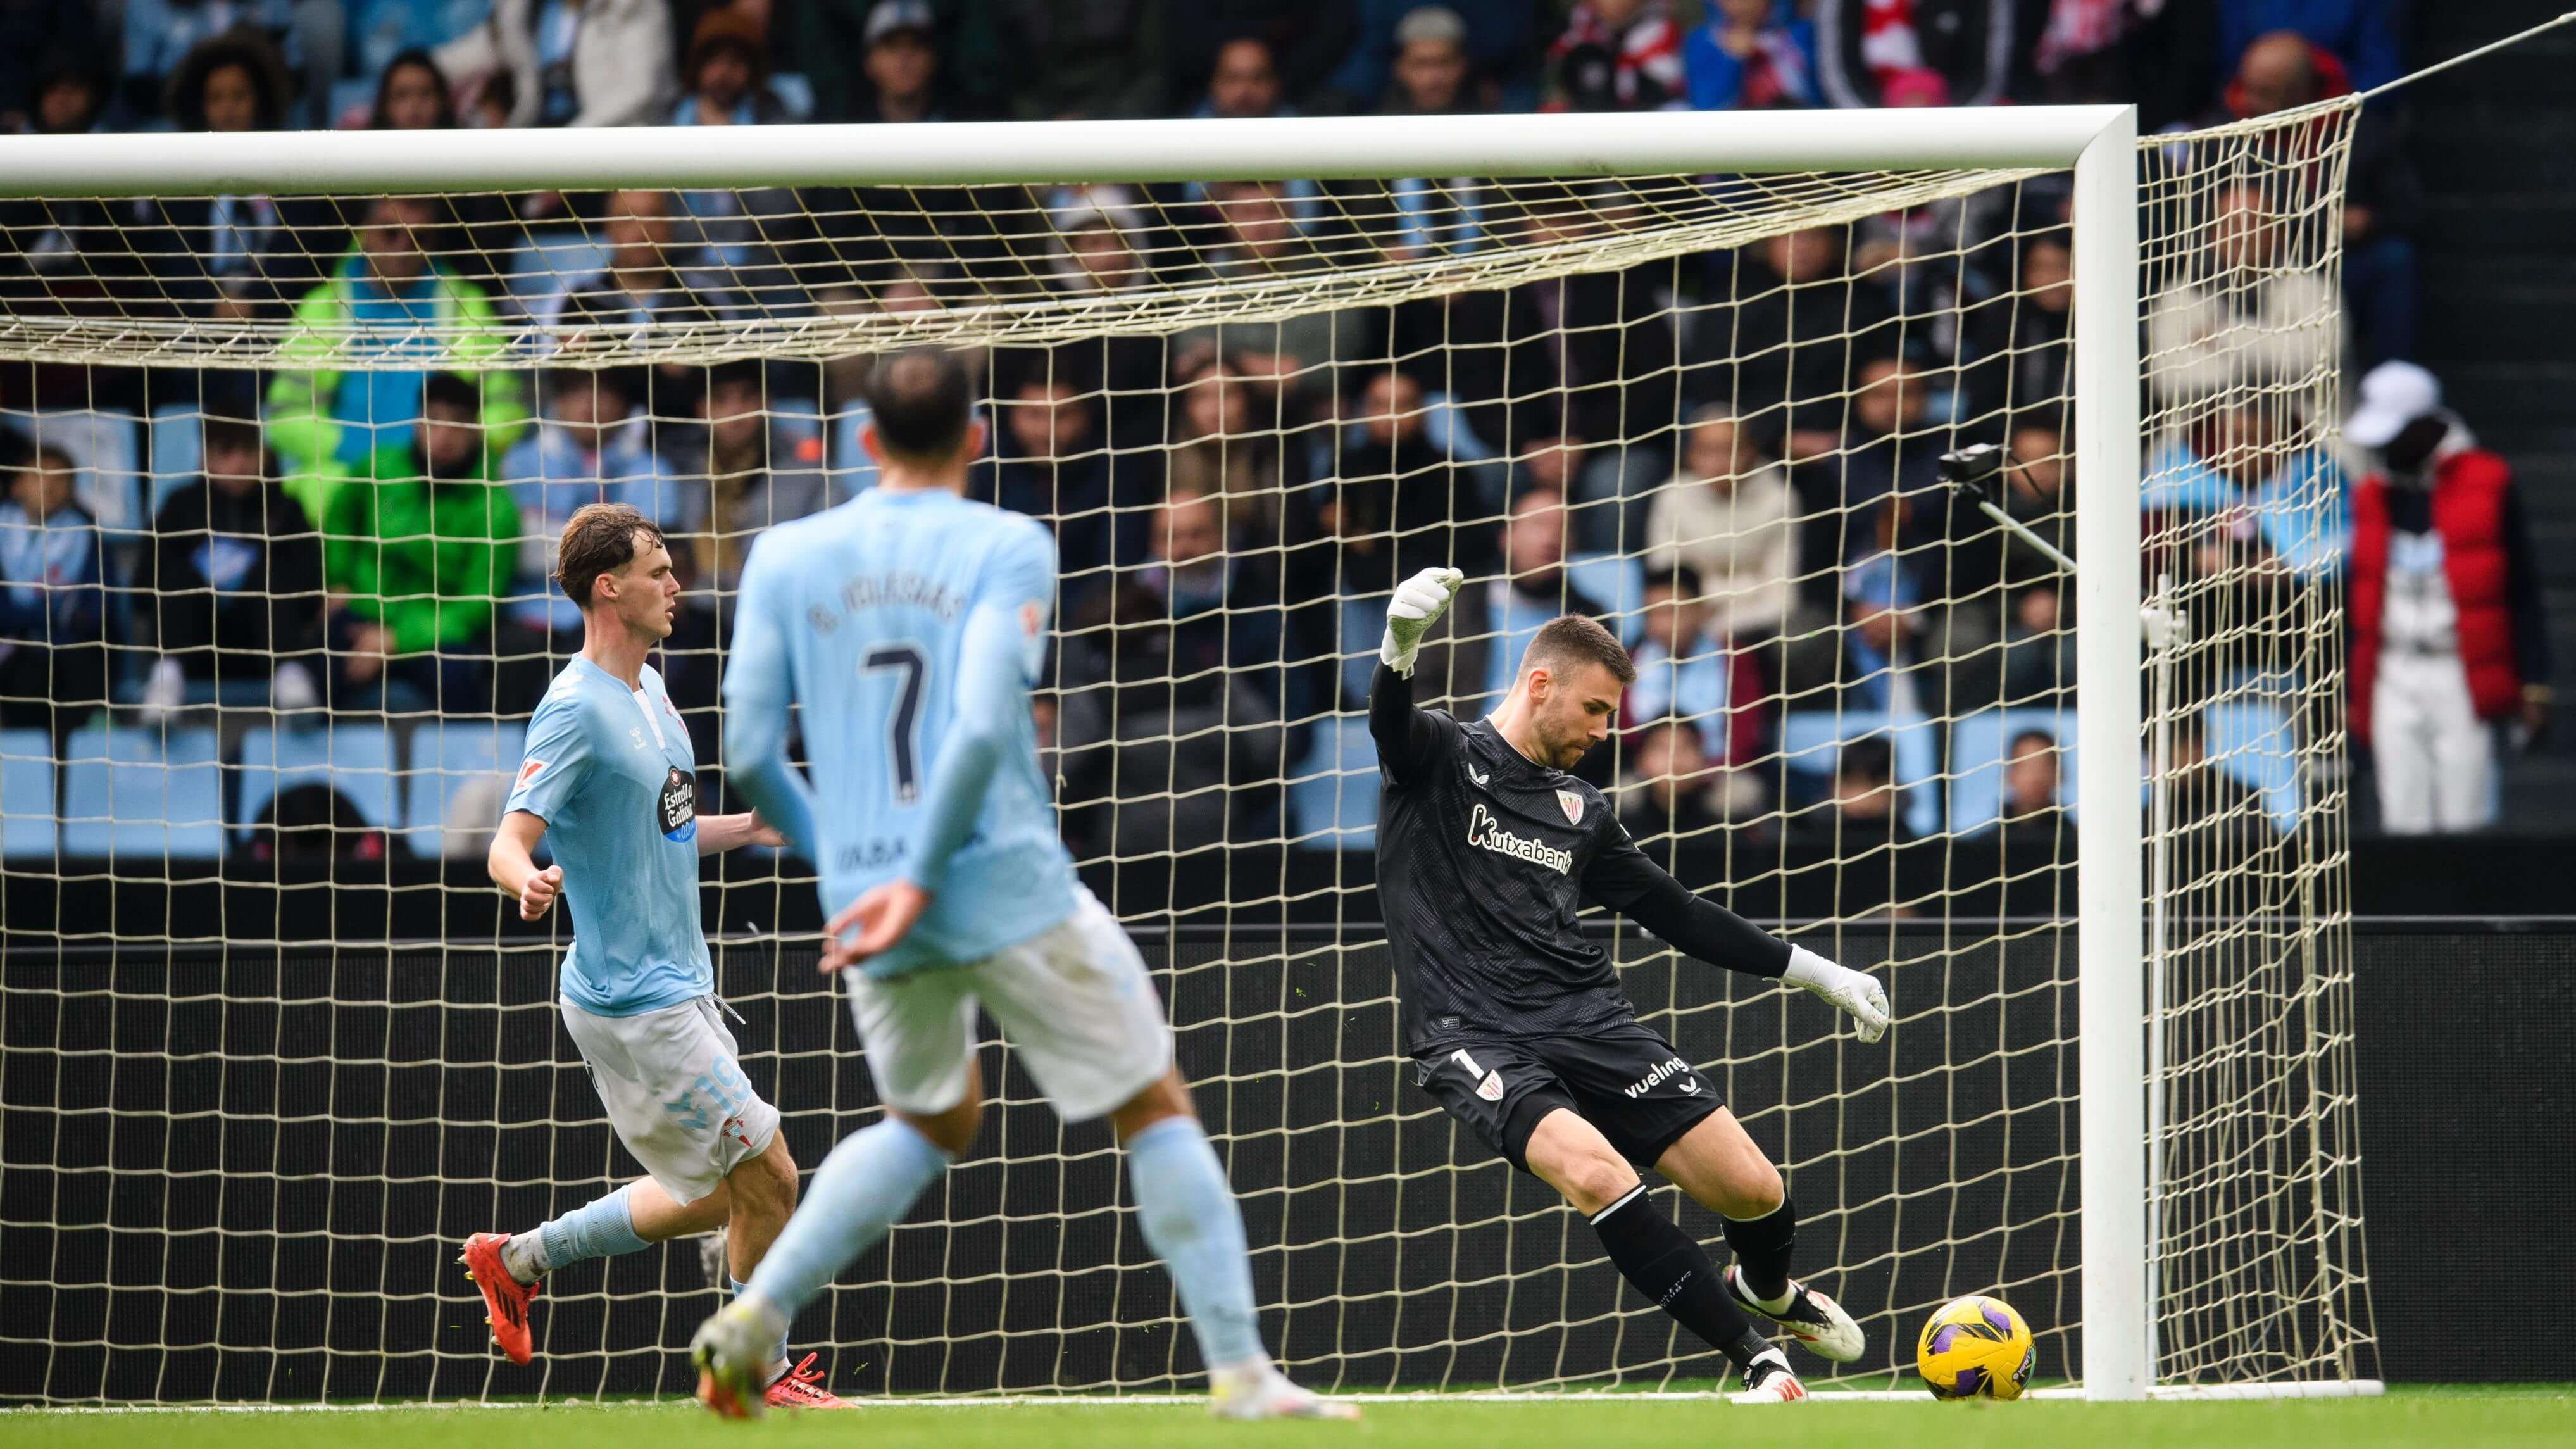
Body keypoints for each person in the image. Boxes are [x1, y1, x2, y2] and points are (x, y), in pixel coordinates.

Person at [694, 348, 1350, 1422]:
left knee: (928, 1117)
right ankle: (1241, 1372)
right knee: (1151, 1100)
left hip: (864, 896)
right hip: (1001, 874)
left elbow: (754, 752)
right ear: (978, 439)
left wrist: (859, 866)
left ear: (864, 442)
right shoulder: (1009, 541)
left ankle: (759, 1312)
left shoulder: (784, 553)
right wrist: (917, 872)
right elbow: (990, 718)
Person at [1366, 568, 1889, 1403]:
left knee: (1755, 1192)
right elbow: (1387, 726)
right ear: (1540, 685)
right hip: (1472, 1033)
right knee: (1600, 1175)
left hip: (1590, 1021)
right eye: (1596, 709)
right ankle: (1757, 1355)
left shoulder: (1581, 808)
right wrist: (1399, 645)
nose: (1607, 730)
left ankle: (1768, 1291)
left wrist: (1819, 973)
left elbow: (1677, 912)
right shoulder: (1440, 756)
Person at [467, 502, 839, 1409]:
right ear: (610, 587)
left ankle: (518, 1260)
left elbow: (667, 829)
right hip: (636, 1001)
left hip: (676, 986)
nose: (677, 583)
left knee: (727, 1194)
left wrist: (749, 827)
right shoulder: (572, 708)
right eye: (658, 568)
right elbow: (508, 838)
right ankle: (762, 1369)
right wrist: (523, 879)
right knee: (774, 1175)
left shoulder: (653, 691)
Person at [2344, 360, 2549, 834]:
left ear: (2424, 426)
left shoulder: (2487, 480)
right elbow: (2360, 594)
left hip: (2460, 666)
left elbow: (2521, 586)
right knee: (2402, 812)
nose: (2383, 448)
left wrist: (2534, 682)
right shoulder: (2371, 492)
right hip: (2392, 670)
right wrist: (2353, 690)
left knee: (2466, 810)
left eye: (2393, 435)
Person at [266, 194, 528, 482]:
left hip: (443, 482)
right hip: (344, 481)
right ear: (364, 229)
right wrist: (347, 449)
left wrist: (458, 447)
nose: (404, 248)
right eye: (391, 233)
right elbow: (284, 415)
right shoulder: (321, 307)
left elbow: (508, 408)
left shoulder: (467, 305)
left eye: (420, 237)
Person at [321, 372, 520, 712]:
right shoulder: (377, 468)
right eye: (433, 421)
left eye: (456, 424)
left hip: (436, 635)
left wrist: (398, 640)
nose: (442, 437)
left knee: (458, 674)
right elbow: (338, 518)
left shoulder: (495, 508)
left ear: (475, 429)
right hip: (365, 613)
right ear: (417, 421)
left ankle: (463, 763)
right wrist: (337, 579)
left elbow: (477, 604)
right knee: (317, 655)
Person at [141, 412, 326, 714]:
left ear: (263, 455)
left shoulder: (286, 509)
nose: (239, 463)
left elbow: (310, 587)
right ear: (206, 458)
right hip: (195, 648)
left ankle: (292, 674)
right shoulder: (180, 507)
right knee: (175, 575)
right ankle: (166, 677)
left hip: (262, 649)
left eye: (248, 451)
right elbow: (145, 582)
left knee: (275, 571)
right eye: (227, 452)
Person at [1642, 406, 1798, 641]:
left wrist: (1719, 623)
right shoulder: (1671, 498)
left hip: (1760, 630)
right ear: (1690, 455)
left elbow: (1783, 599)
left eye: (1729, 450)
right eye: (1707, 450)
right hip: (1686, 630)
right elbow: (1669, 588)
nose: (1719, 461)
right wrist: (1747, 587)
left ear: (1750, 451)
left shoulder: (1779, 498)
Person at [0, 436, 104, 733]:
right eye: (38, 475)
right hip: (15, 651)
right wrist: (44, 617)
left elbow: (93, 607)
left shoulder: (87, 536)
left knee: (83, 669)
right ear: (17, 485)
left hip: (70, 649)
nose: (49, 485)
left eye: (60, 478)